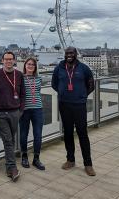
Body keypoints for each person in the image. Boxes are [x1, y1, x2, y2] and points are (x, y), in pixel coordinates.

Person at [51, 46, 96, 176]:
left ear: (75, 54)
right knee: (68, 133)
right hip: (64, 105)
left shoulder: (84, 68)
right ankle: (70, 160)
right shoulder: (59, 68)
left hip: (79, 106)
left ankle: (88, 164)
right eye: (67, 53)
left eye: (71, 53)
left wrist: (82, 96)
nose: (69, 55)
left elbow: (91, 85)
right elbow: (54, 84)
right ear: (65, 55)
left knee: (82, 133)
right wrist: (63, 93)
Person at [0, 51, 25, 182]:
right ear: (2, 61)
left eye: (11, 59)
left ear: (14, 61)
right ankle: (12, 168)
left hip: (14, 112)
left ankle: (9, 165)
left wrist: (21, 110)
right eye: (6, 59)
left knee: (11, 140)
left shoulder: (19, 75)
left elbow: (23, 92)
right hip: (0, 113)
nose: (8, 61)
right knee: (8, 140)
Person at [19, 57, 45, 170]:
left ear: (35, 67)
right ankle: (24, 156)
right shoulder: (21, 78)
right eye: (28, 64)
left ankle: (36, 158)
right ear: (25, 65)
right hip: (24, 110)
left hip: (38, 109)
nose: (30, 66)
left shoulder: (39, 78)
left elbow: (37, 92)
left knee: (38, 135)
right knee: (23, 134)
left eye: (32, 65)